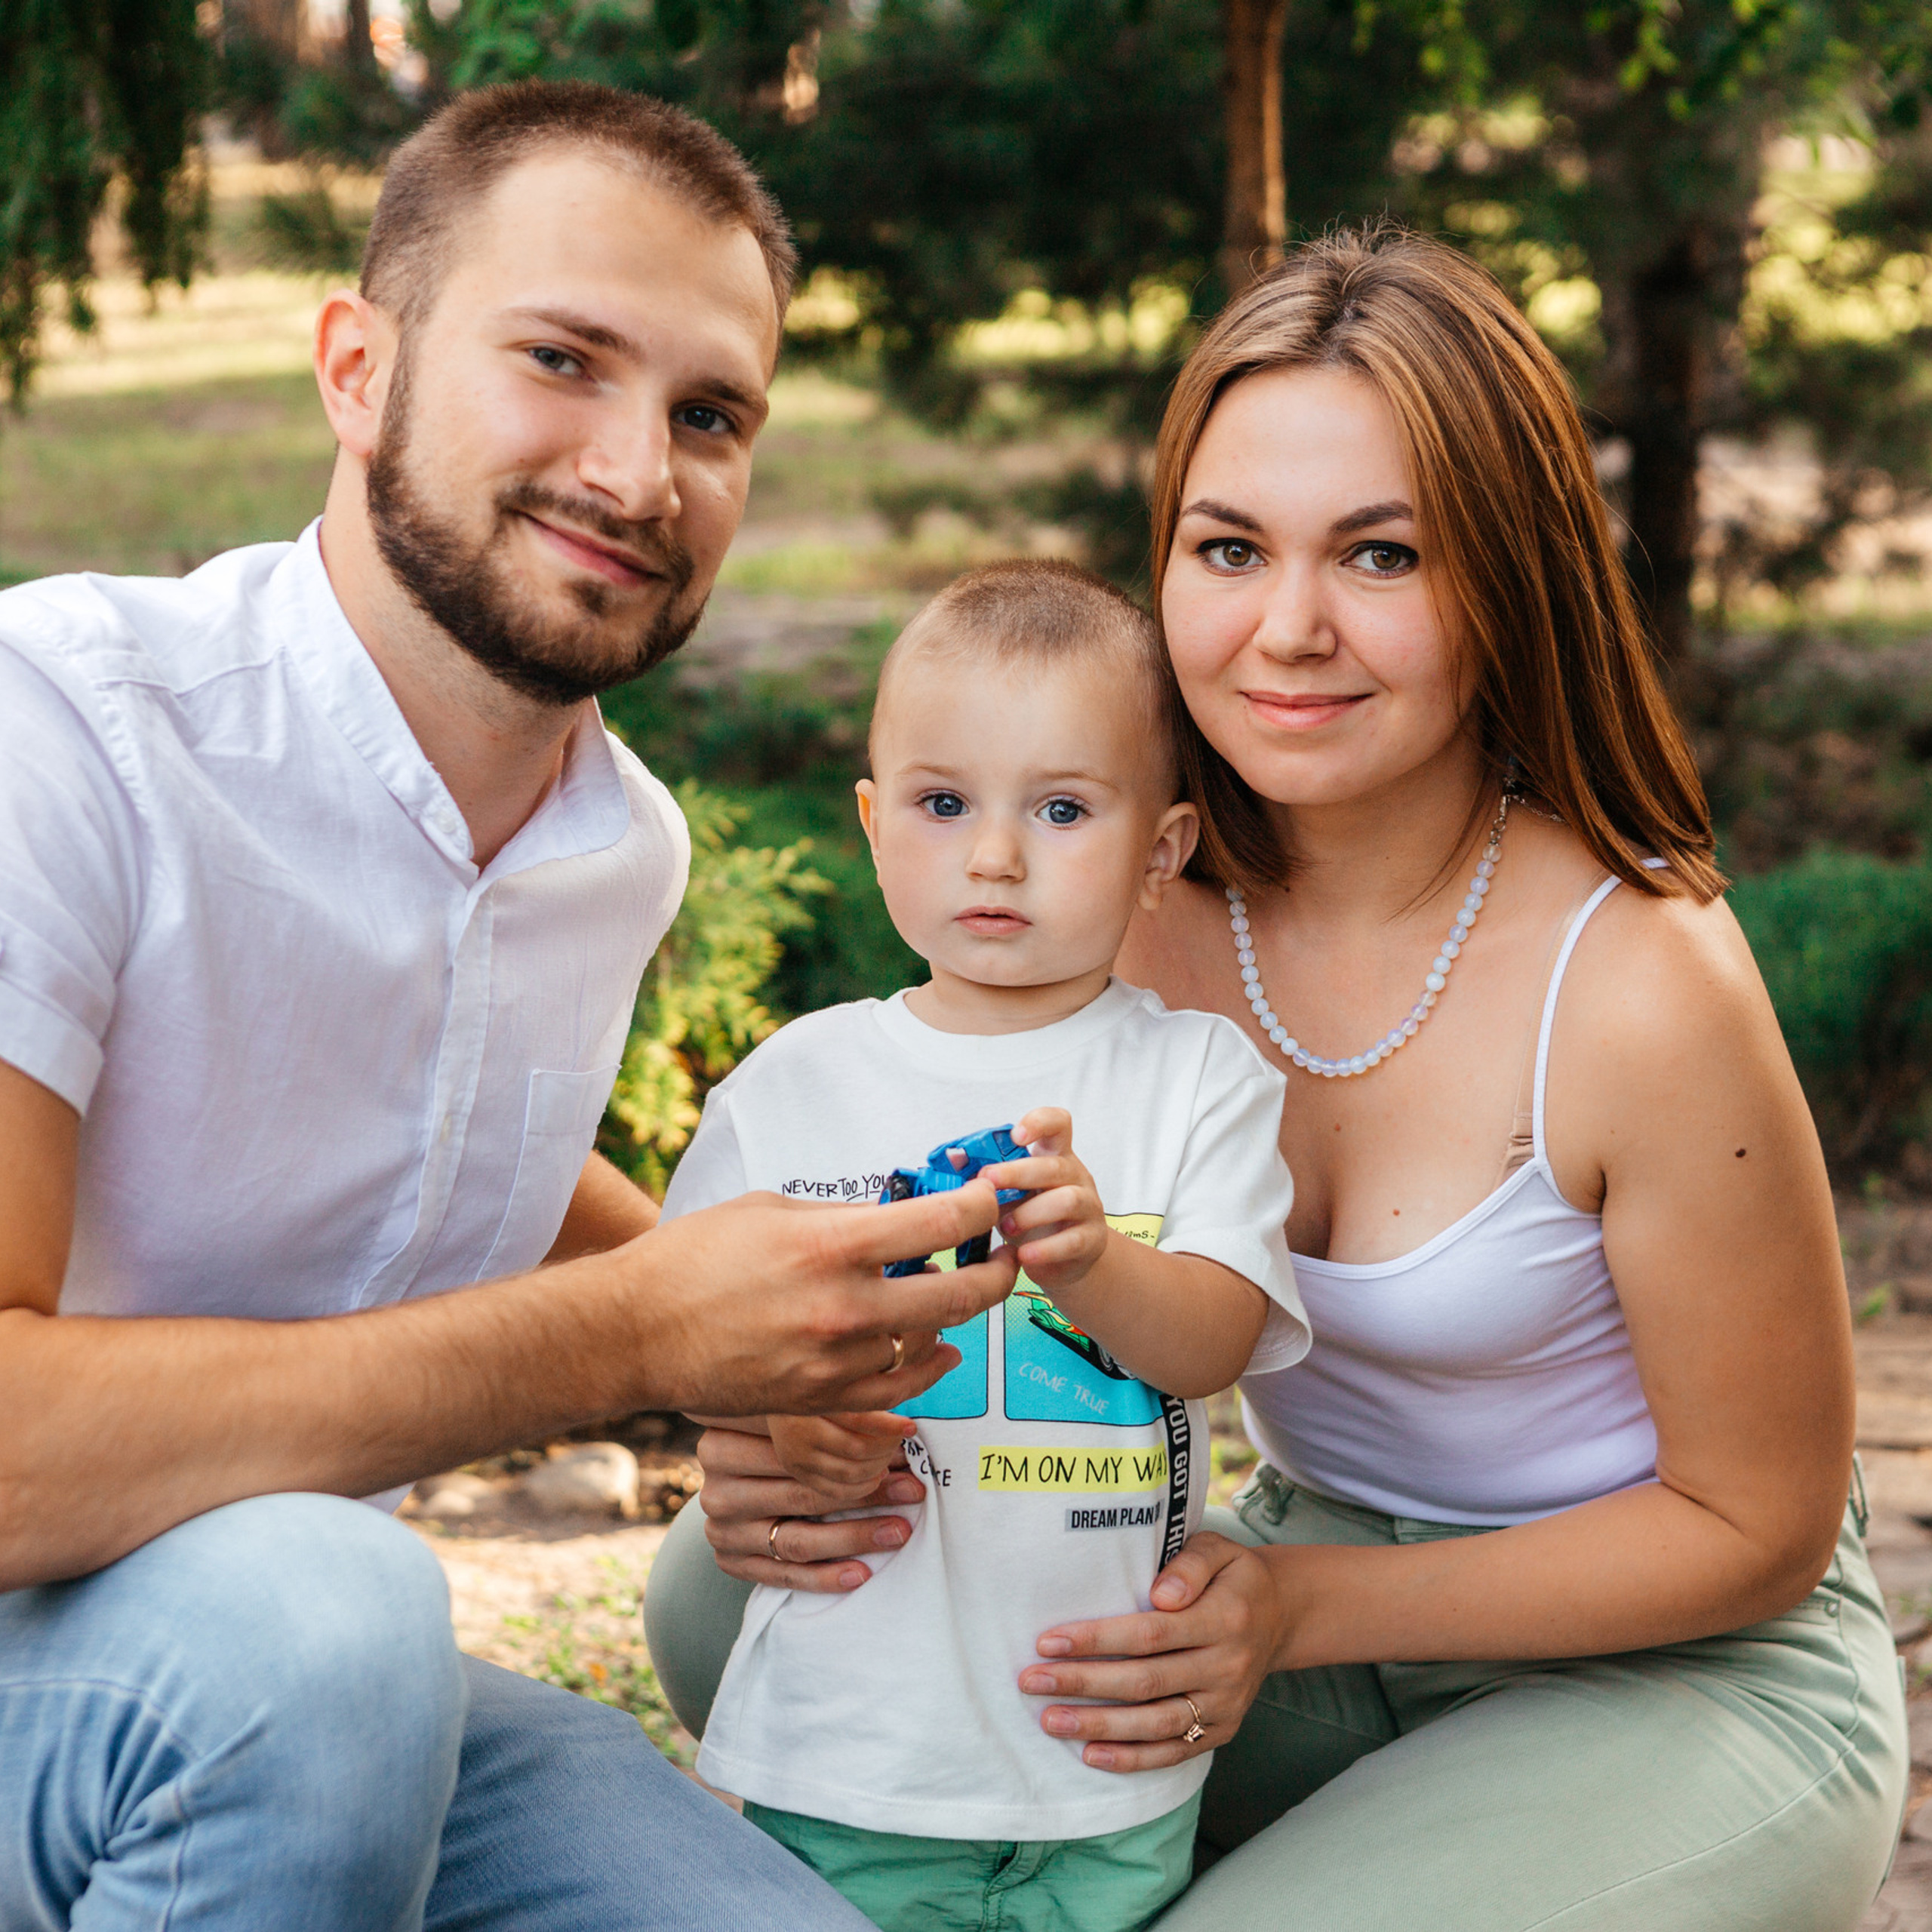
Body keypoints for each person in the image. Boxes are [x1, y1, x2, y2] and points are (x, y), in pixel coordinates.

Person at [645, 226, 1909, 1929]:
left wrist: (1296, 1607)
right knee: (720, 1594)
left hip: (1674, 1663)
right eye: (1229, 547)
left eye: (1380, 554)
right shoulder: (1125, 898)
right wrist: (781, 1448)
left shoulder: (1638, 980)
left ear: (1504, 580)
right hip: (1301, 1585)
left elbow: (1755, 1525)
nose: (1288, 630)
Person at [0, 81, 1019, 1932]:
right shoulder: (55, 730)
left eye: (708, 415)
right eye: (561, 359)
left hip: (307, 1698)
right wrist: (639, 1332)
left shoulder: (616, 850)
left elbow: (438, 1124)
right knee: (327, 1613)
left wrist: (752, 1321)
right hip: (212, 1654)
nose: (638, 476)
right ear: (356, 367)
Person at [656, 559, 1309, 1932]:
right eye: (943, 804)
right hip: (851, 1749)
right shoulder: (794, 1087)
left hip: (1104, 1759)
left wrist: (1095, 1264)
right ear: (873, 821)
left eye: (1061, 810)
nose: (995, 856)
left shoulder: (1200, 1078)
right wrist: (784, 1417)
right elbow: (685, 1338)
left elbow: (1216, 1341)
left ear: (1163, 851)